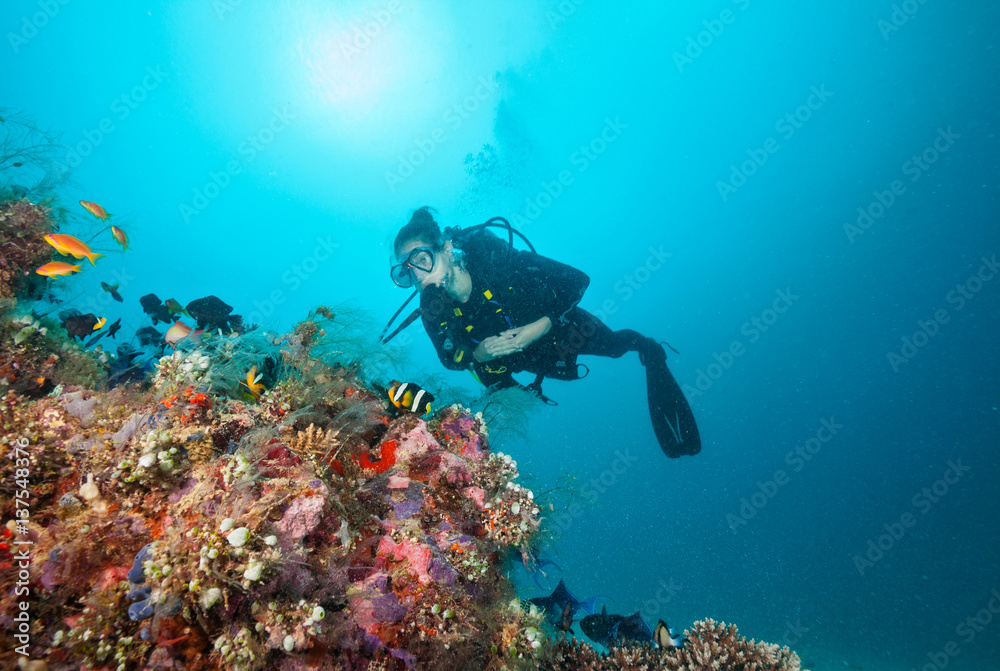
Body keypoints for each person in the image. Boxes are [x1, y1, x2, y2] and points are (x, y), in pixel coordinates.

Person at [388, 206, 700, 458]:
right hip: (525, 363)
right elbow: (450, 359)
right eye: (407, 271)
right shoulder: (432, 308)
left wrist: (539, 327)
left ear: (444, 247)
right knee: (494, 403)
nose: (417, 276)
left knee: (618, 346)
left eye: (421, 259)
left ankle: (649, 350)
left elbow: (576, 280)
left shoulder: (495, 260)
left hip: (563, 329)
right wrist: (477, 352)